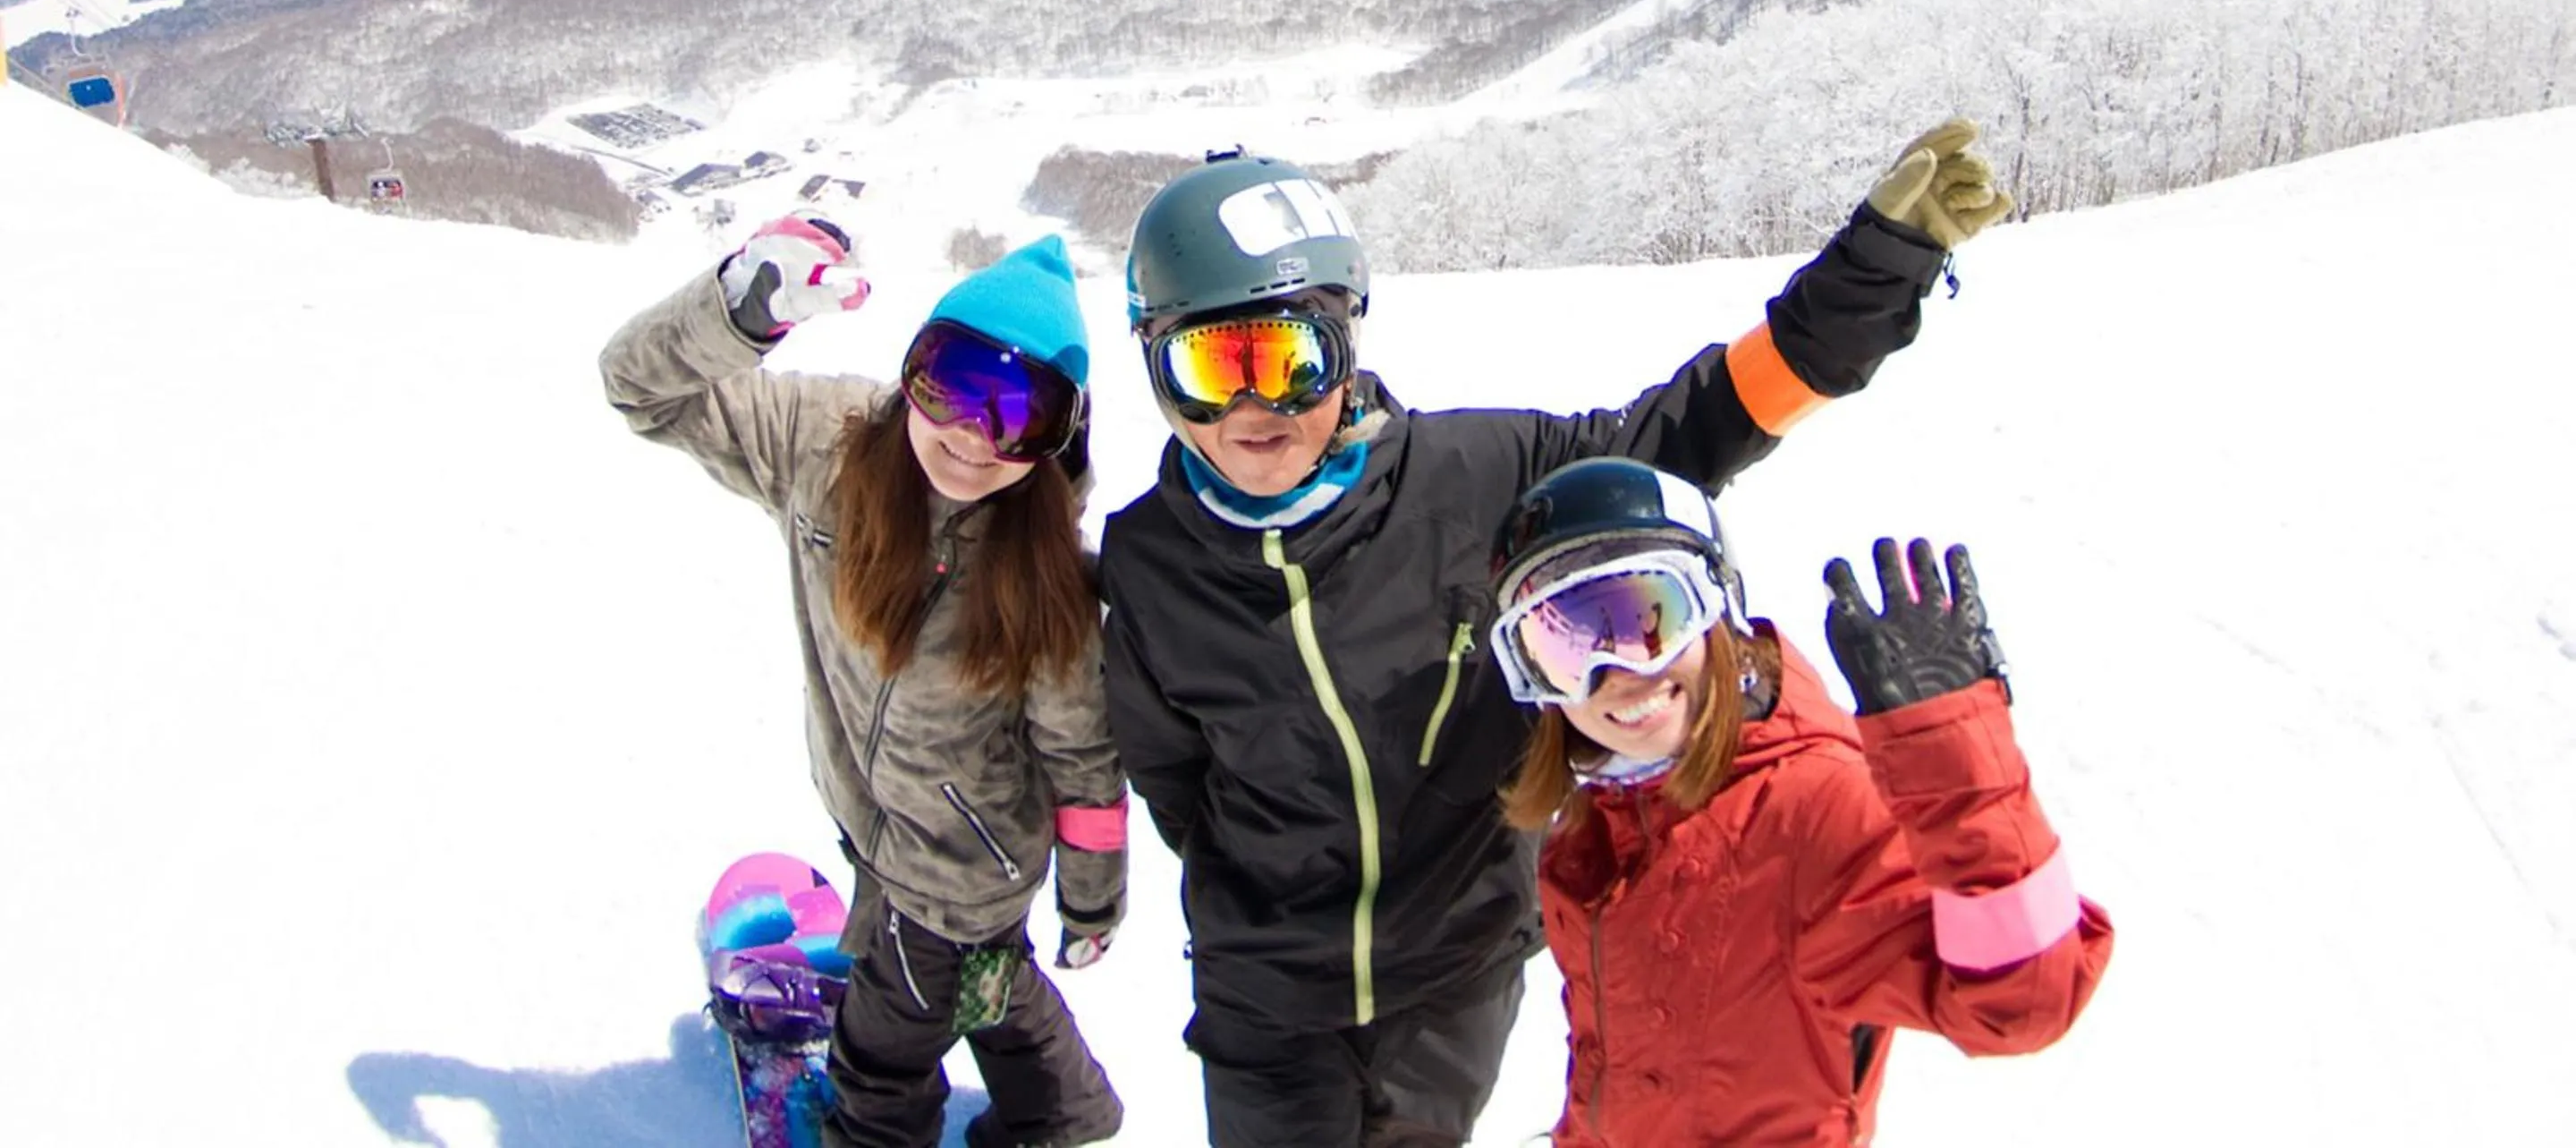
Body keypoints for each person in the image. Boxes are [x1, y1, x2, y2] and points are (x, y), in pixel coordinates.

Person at [1098, 122, 2011, 1148]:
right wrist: (1256, 889)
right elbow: (1171, 773)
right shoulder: (1148, 560)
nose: (1255, 407)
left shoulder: (1485, 478)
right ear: (1156, 372)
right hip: (1264, 993)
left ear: (1349, 347)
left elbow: (1702, 425)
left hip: (1455, 974)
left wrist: (1873, 272)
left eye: (1293, 359)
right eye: (1212, 369)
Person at [602, 217, 1128, 1148]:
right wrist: (741, 307)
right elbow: (638, 385)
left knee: (883, 1054)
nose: (974, 437)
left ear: (1060, 435)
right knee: (988, 985)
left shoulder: (1048, 577)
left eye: (1021, 415)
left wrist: (1093, 899)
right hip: (879, 829)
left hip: (952, 878)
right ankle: (1066, 1115)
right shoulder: (826, 450)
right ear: (910, 371)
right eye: (953, 385)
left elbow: (1083, 758)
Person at [1492, 456, 2114, 1147]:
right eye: (1563, 644)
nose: (1616, 676)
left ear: (1718, 607)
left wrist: (1956, 756)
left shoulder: (1813, 811)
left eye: (1650, 621)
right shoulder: (1597, 825)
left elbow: (2027, 1001)